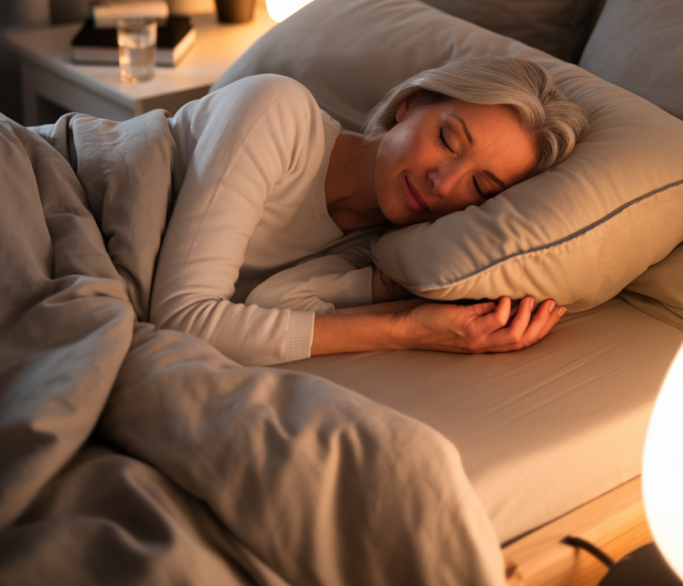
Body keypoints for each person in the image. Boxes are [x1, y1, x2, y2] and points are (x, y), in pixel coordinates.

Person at [150, 57, 589, 366]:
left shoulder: (382, 250)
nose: (444, 182)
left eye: (480, 186)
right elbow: (182, 321)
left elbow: (270, 303)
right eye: (448, 140)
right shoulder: (278, 111)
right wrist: (410, 331)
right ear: (411, 104)